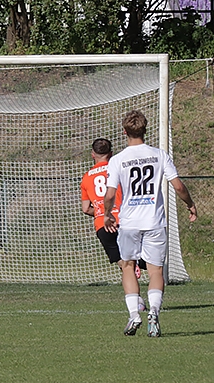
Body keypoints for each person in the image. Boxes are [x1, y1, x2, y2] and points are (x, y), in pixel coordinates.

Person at [104, 110, 197, 337]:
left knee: (127, 266)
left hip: (129, 222)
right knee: (155, 270)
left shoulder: (118, 159)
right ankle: (153, 312)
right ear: (145, 130)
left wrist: (107, 213)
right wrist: (190, 204)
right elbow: (178, 187)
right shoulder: (159, 155)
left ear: (124, 131)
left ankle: (134, 314)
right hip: (155, 222)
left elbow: (109, 194)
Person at [80, 138, 146, 307]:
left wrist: (102, 212)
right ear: (111, 154)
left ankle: (137, 302)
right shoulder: (119, 168)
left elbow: (86, 208)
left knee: (124, 265)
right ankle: (140, 262)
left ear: (92, 155)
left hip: (103, 224)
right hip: (125, 220)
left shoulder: (87, 177)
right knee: (136, 259)